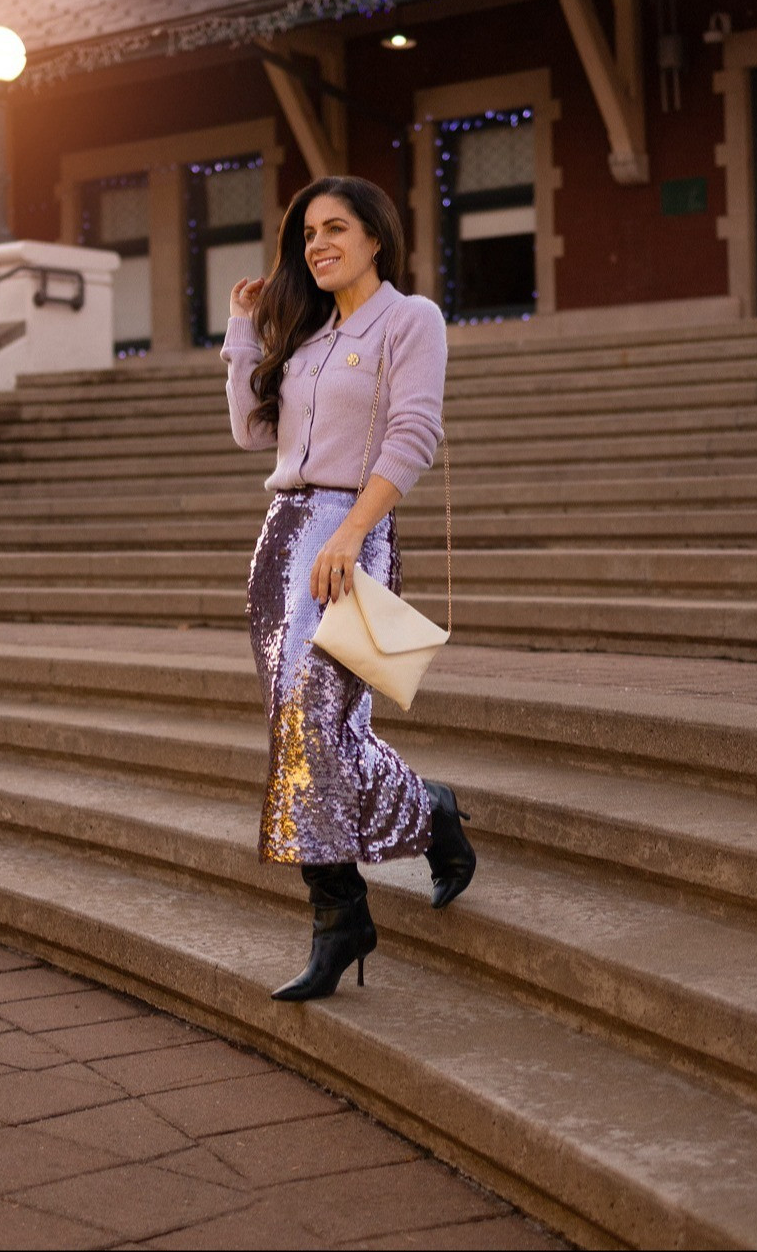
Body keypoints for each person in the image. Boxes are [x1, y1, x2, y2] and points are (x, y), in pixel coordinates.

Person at [221, 174, 475, 1002]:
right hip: (281, 541)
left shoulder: (410, 319)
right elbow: (251, 431)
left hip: (348, 535)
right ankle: (428, 809)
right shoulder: (306, 335)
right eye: (307, 234)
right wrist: (242, 331)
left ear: (374, 235)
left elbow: (415, 430)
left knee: (310, 722)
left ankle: (339, 915)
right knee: (302, 726)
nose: (318, 244)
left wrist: (353, 530)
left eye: (335, 227)